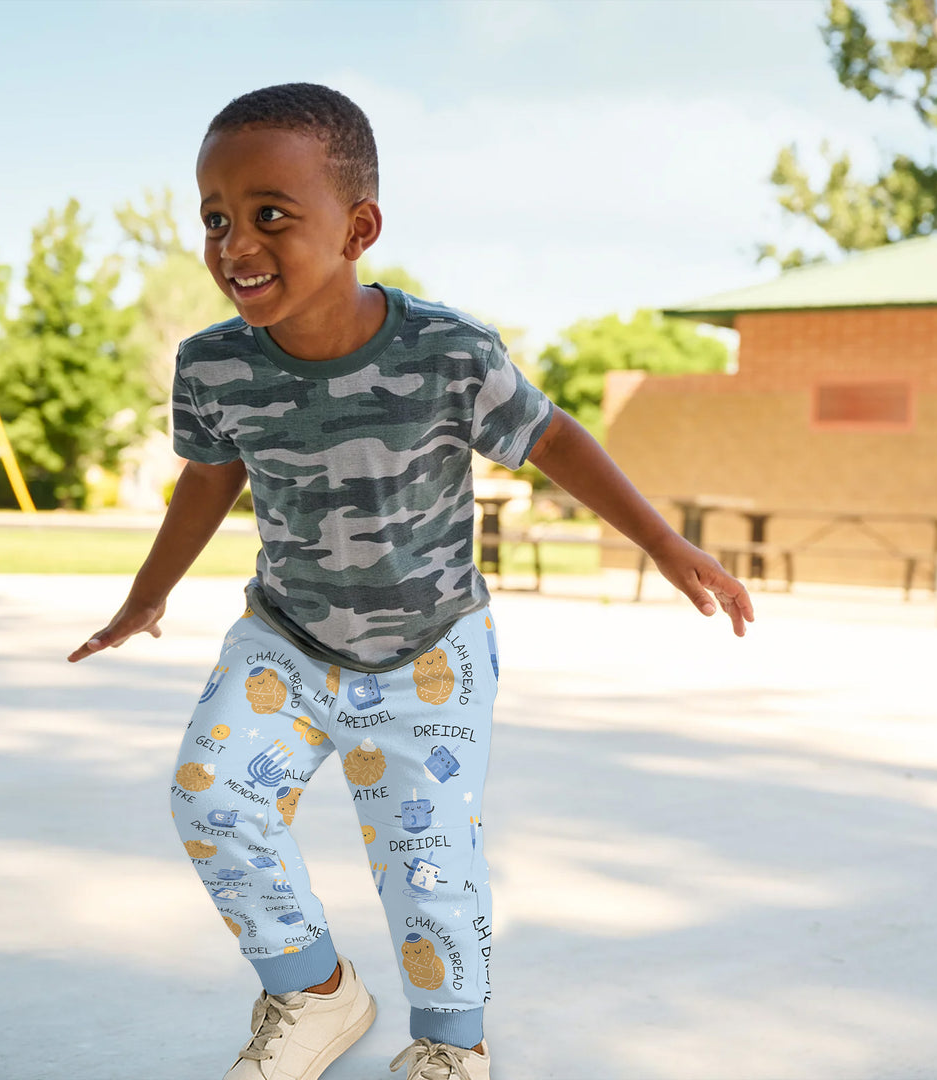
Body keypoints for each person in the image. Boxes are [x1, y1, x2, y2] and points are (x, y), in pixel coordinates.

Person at [68, 82, 753, 1080]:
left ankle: (449, 1050)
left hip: (431, 652)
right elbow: (207, 479)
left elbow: (552, 437)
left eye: (270, 216)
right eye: (215, 218)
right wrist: (146, 594)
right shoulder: (212, 366)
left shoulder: (447, 352)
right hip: (287, 637)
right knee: (211, 796)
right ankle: (314, 994)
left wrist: (660, 541)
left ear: (359, 227)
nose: (235, 244)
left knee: (427, 867)